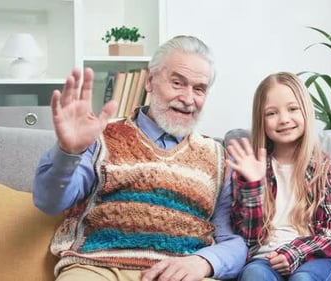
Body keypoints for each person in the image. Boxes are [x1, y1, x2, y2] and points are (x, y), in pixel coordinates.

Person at [33, 35, 247, 281]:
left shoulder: (219, 157)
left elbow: (233, 240)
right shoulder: (99, 136)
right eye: (177, 83)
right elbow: (49, 202)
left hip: (179, 275)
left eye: (199, 89)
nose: (188, 99)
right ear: (150, 81)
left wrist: (203, 262)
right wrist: (68, 152)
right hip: (97, 268)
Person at [226, 72, 331, 281]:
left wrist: (294, 253)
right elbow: (247, 237)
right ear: (260, 120)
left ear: (305, 111)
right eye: (272, 113)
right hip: (264, 260)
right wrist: (253, 185)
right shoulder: (250, 167)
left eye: (292, 109)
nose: (284, 119)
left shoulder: (323, 167)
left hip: (314, 258)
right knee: (254, 276)